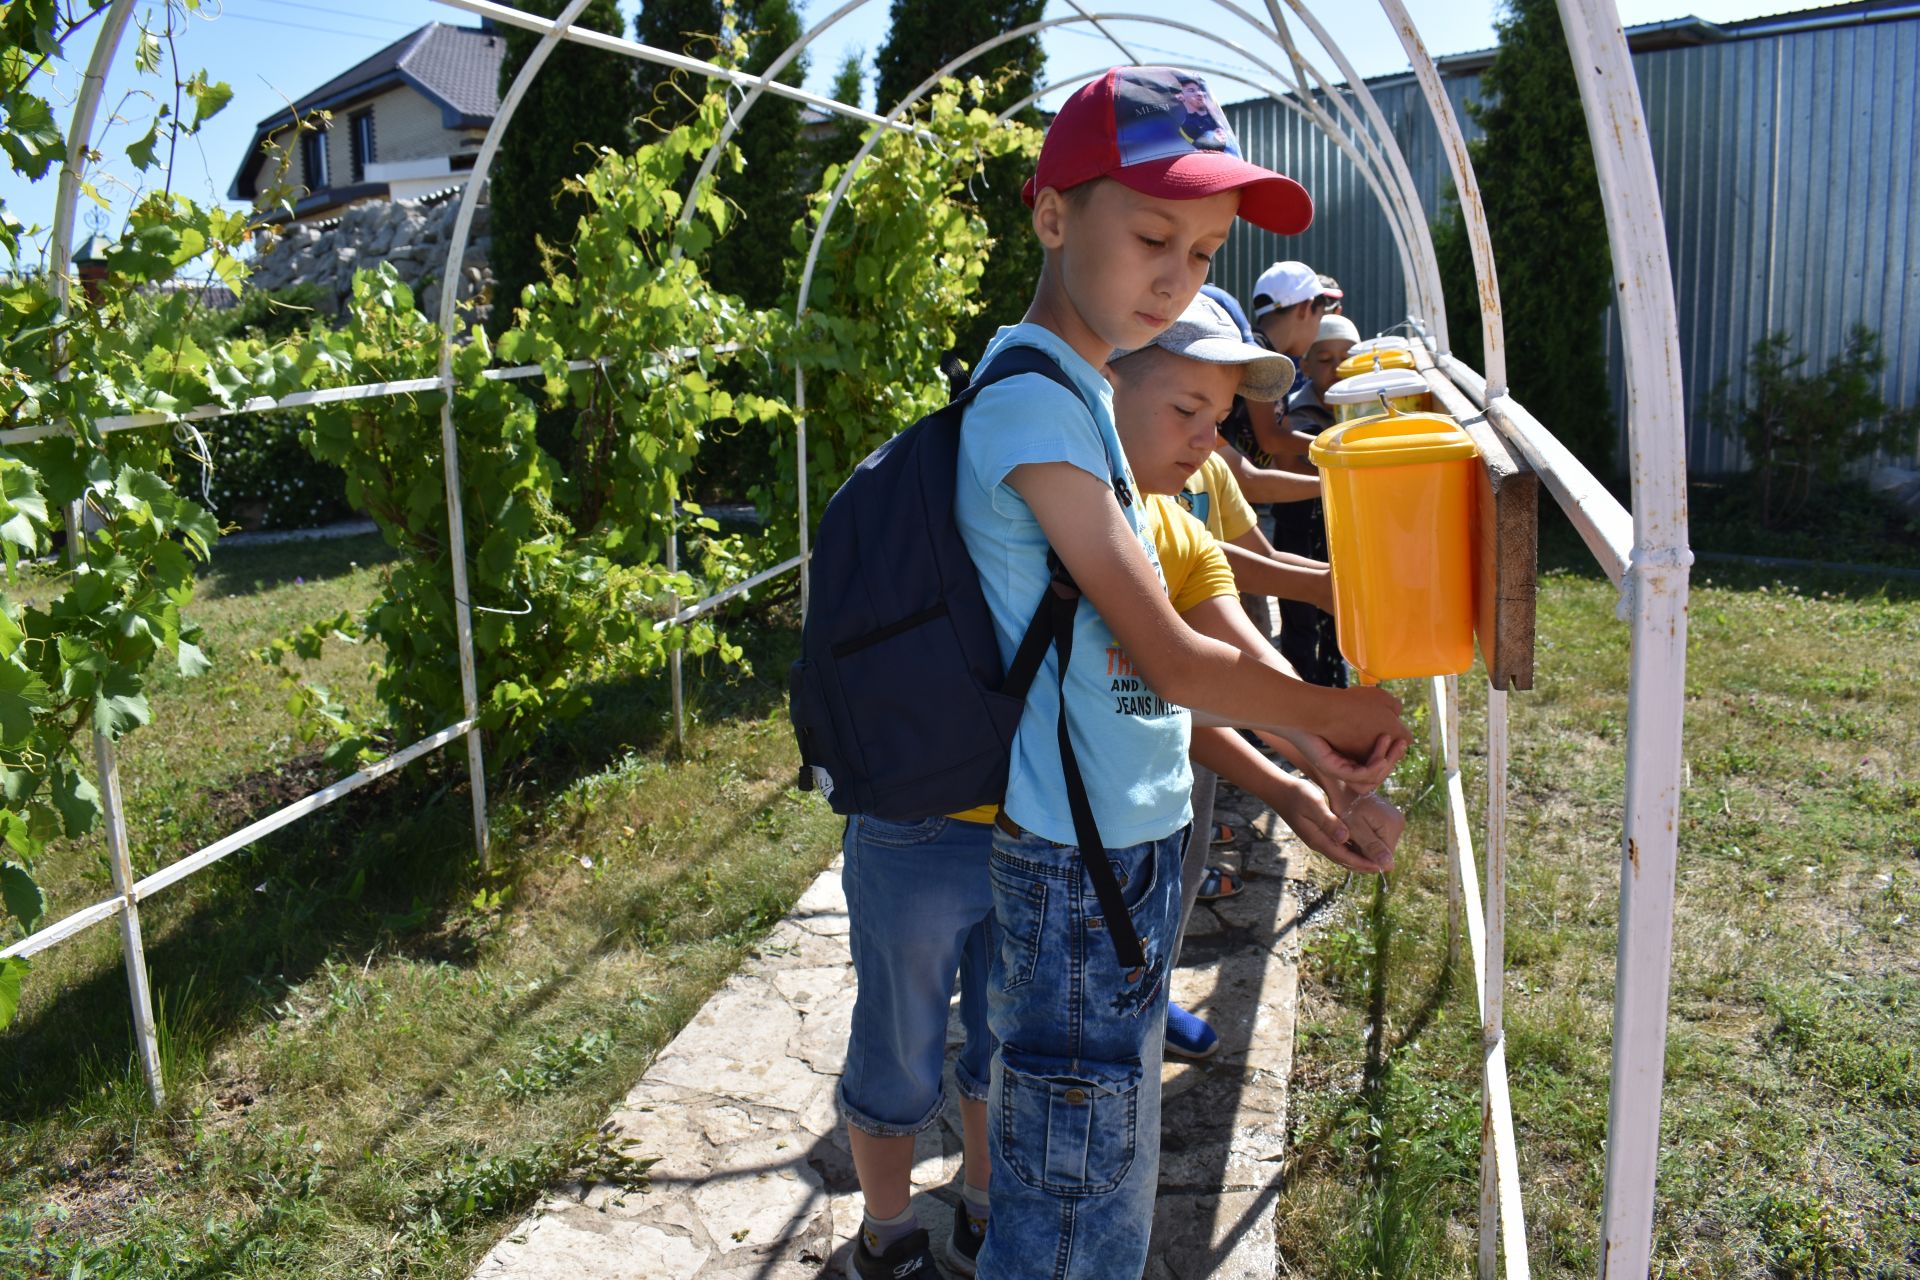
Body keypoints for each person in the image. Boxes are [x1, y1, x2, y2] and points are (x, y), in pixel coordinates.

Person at [956, 66, 1412, 1279]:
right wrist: (1330, 709)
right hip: (1072, 860)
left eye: (1207, 252)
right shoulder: (1035, 404)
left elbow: (1149, 660)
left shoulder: (1091, 397)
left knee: (1102, 1150)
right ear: (1052, 215)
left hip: (1128, 838)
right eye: (1153, 234)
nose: (1179, 274)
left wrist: (1307, 769)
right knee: (1070, 1181)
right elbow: (1164, 649)